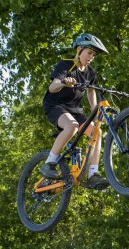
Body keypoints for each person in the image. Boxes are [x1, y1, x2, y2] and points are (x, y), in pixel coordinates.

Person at [40, 33, 110, 190]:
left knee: (96, 132)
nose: (91, 57)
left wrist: (95, 110)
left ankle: (93, 175)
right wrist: (64, 82)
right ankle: (49, 163)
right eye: (89, 53)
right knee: (72, 126)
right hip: (55, 105)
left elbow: (91, 91)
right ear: (79, 49)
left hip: (75, 110)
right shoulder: (65, 65)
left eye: (94, 55)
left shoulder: (91, 72)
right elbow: (52, 87)